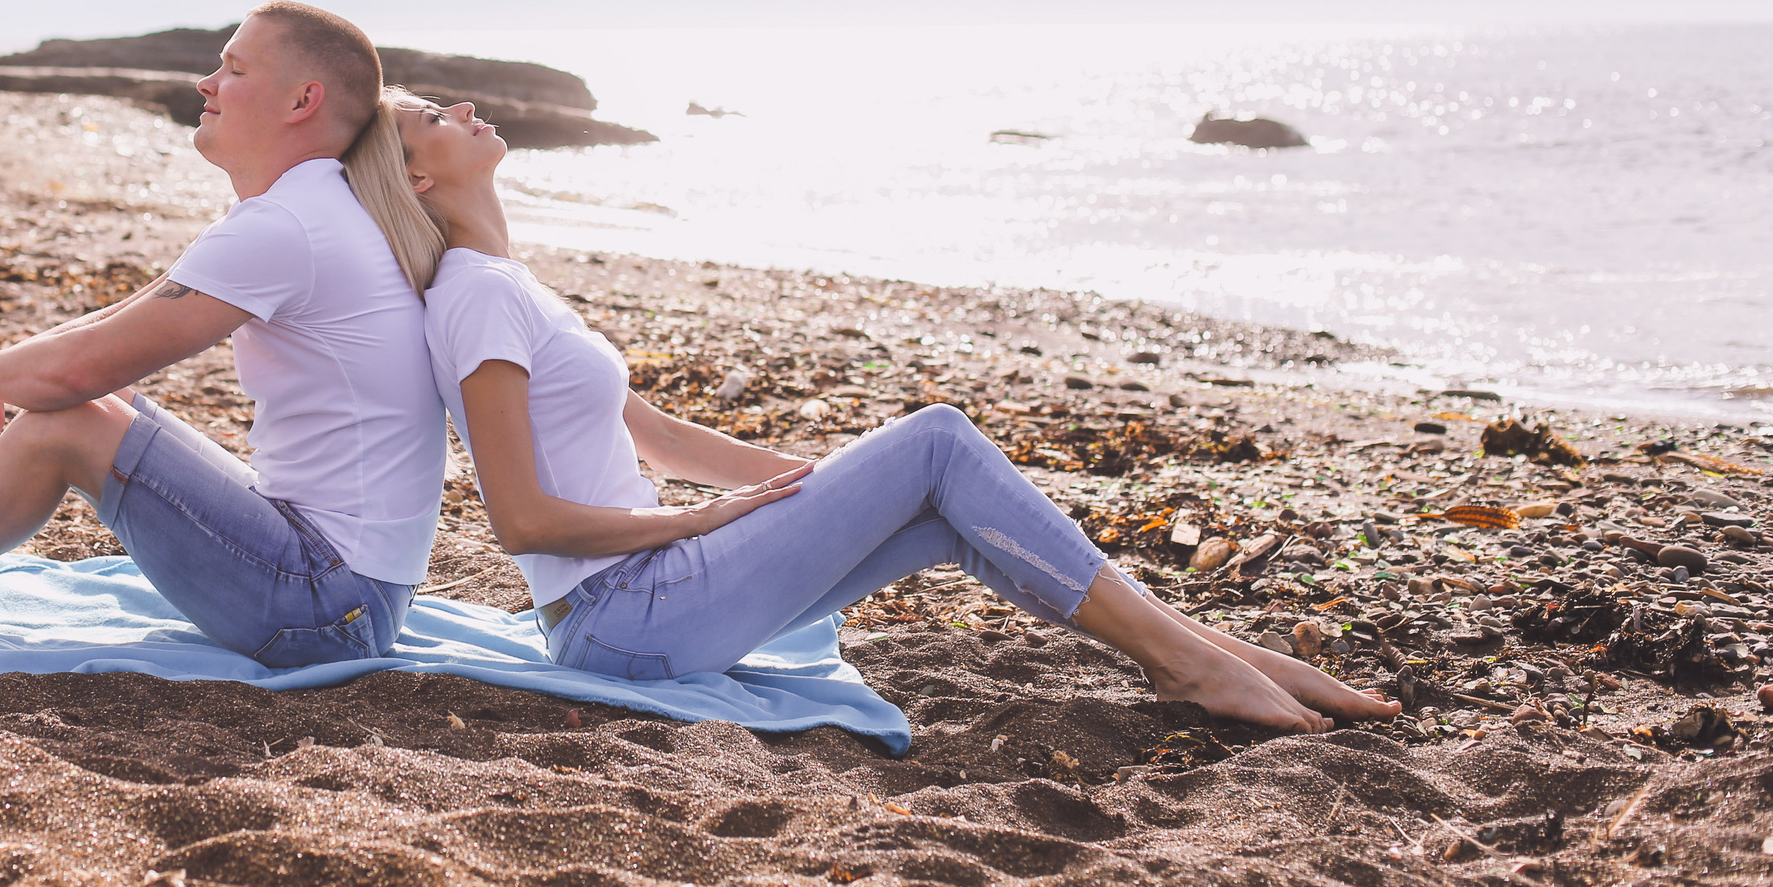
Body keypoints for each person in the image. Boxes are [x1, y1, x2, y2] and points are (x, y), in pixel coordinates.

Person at [397, 93, 1400, 733]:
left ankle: (1211, 655)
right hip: (623, 615)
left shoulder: (508, 282)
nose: (466, 105)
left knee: (938, 506)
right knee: (938, 437)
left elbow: (659, 437)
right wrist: (695, 521)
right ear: (417, 177)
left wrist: (835, 487)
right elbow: (519, 520)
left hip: (646, 600)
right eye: (435, 114)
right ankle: (1189, 662)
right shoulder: (476, 298)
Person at [0, 1, 454, 667]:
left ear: (302, 99)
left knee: (70, 418)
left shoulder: (290, 222)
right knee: (96, 405)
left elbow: (73, 373)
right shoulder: (310, 207)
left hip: (326, 607)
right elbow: (114, 323)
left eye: (234, 68)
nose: (207, 83)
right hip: (354, 593)